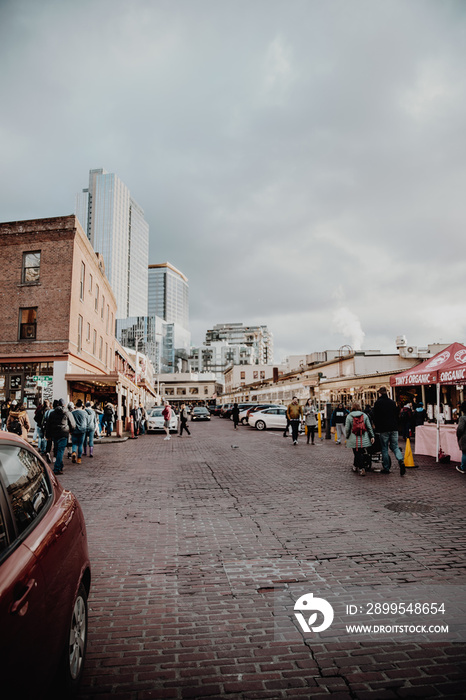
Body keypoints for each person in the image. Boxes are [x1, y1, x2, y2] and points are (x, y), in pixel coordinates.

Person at [372, 386, 406, 476]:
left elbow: (375, 416)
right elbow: (396, 415)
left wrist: (376, 426)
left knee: (384, 448)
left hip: (383, 429)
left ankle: (386, 468)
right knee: (395, 446)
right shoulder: (392, 402)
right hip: (394, 427)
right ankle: (400, 460)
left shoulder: (377, 403)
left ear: (380, 393)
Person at [45, 398, 76, 475]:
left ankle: (60, 465)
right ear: (64, 404)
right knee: (60, 451)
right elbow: (72, 424)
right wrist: (71, 431)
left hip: (55, 434)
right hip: (63, 433)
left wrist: (48, 435)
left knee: (57, 449)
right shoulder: (67, 413)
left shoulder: (52, 413)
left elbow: (48, 425)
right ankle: (57, 468)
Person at [345, 401, 375, 476]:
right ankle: (355, 466)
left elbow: (347, 429)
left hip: (353, 438)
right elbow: (369, 427)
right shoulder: (364, 415)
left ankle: (362, 468)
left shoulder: (349, 416)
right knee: (360, 452)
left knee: (357, 453)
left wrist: (347, 436)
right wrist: (372, 436)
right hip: (363, 438)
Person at [71, 400, 89, 464]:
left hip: (74, 430)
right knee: (80, 444)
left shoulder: (72, 413)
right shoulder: (84, 413)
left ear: (76, 406)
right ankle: (79, 458)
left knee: (74, 443)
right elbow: (87, 421)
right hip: (82, 430)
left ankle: (73, 452)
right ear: (82, 406)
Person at [456, 401, 466, 475]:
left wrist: (458, 435)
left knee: (465, 453)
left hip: (465, 438)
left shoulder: (463, 418)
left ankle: (463, 467)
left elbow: (460, 429)